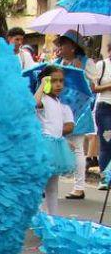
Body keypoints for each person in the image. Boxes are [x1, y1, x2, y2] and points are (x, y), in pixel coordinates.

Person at [53, 30, 95, 200]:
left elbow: (92, 87)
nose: (60, 47)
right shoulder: (56, 63)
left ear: (73, 46)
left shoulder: (86, 63)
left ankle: (79, 187)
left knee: (78, 148)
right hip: (58, 111)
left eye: (63, 44)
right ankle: (49, 185)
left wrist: (81, 73)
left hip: (79, 111)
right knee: (53, 145)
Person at [35, 64, 74, 216]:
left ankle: (54, 217)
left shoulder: (59, 103)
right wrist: (43, 84)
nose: (58, 84)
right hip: (45, 147)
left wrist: (64, 140)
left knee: (52, 186)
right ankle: (38, 217)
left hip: (57, 146)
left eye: (61, 81)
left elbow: (57, 126)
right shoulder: (43, 99)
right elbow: (33, 104)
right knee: (40, 184)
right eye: (54, 81)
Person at [87, 48, 111, 191]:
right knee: (107, 142)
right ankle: (104, 178)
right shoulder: (102, 65)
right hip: (105, 108)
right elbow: (94, 88)